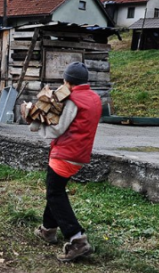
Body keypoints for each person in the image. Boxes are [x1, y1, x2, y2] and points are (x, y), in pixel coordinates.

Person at [24, 61, 102, 262]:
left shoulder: (73, 99)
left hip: (65, 153)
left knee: (55, 193)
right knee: (55, 190)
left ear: (67, 81)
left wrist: (35, 125)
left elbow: (58, 129)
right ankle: (47, 230)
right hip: (80, 154)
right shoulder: (94, 98)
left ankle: (77, 239)